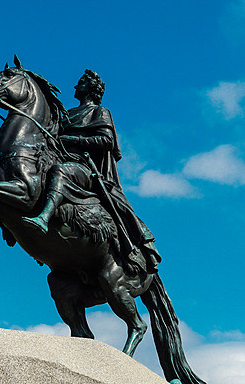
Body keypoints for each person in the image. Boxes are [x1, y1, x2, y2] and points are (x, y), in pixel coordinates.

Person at [23, 69, 160, 275]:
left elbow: (107, 141)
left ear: (91, 88)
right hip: (62, 162)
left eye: (80, 83)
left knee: (60, 171)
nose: (75, 86)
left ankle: (44, 217)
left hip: (86, 170)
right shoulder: (66, 115)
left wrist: (73, 140)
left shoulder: (100, 112)